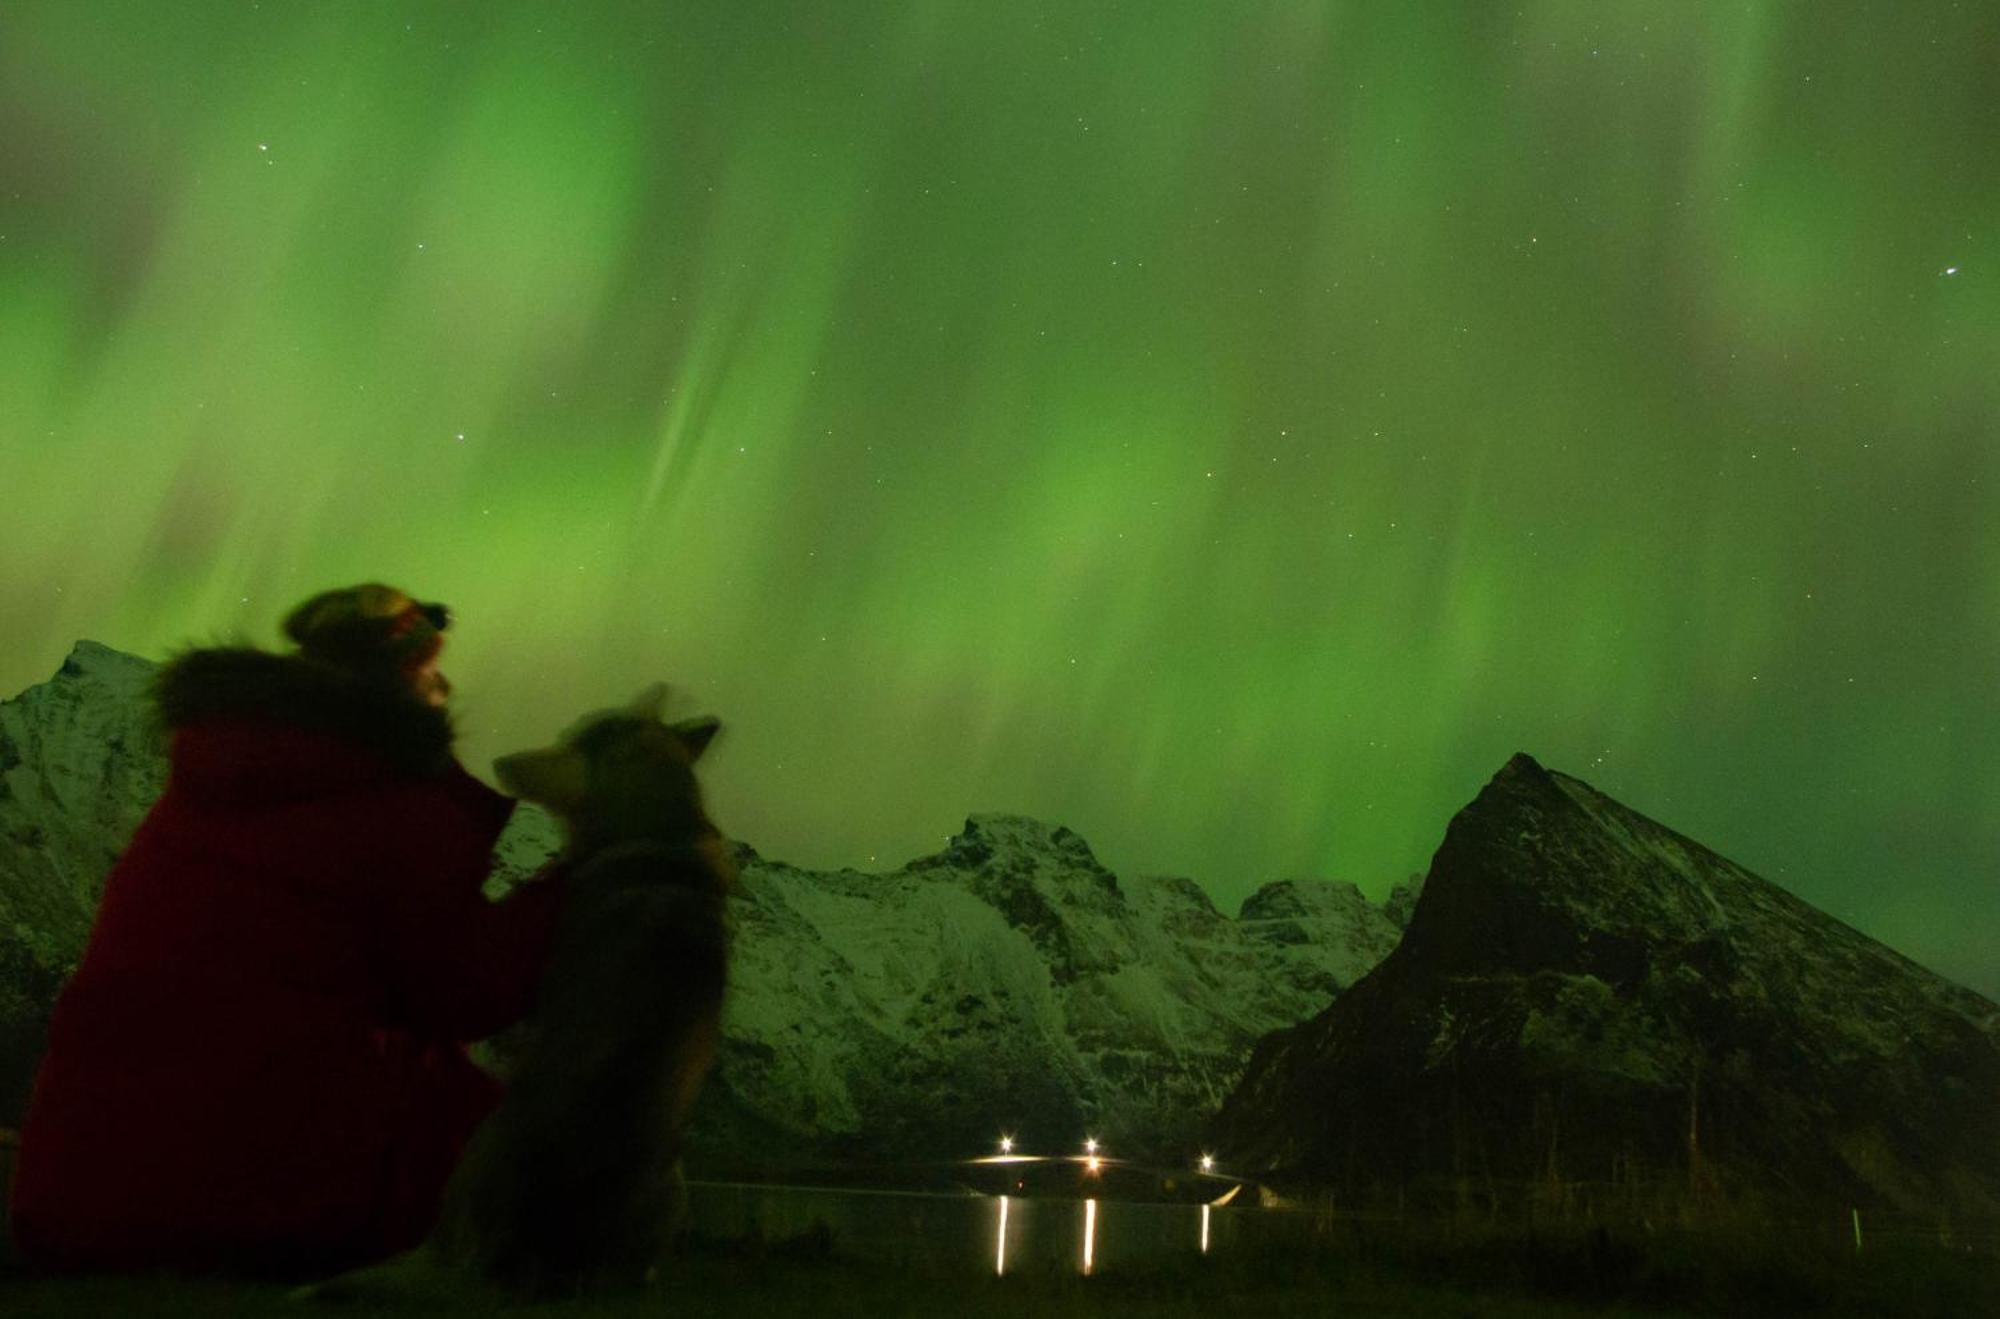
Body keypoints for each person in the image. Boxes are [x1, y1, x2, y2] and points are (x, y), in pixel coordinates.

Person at [9, 584, 568, 1279]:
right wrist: (586, 874)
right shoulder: (389, 808)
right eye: (426, 664)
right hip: (258, 1214)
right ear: (390, 677)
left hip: (75, 1205)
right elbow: (468, 991)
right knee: (501, 1125)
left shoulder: (200, 790)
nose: (444, 682)